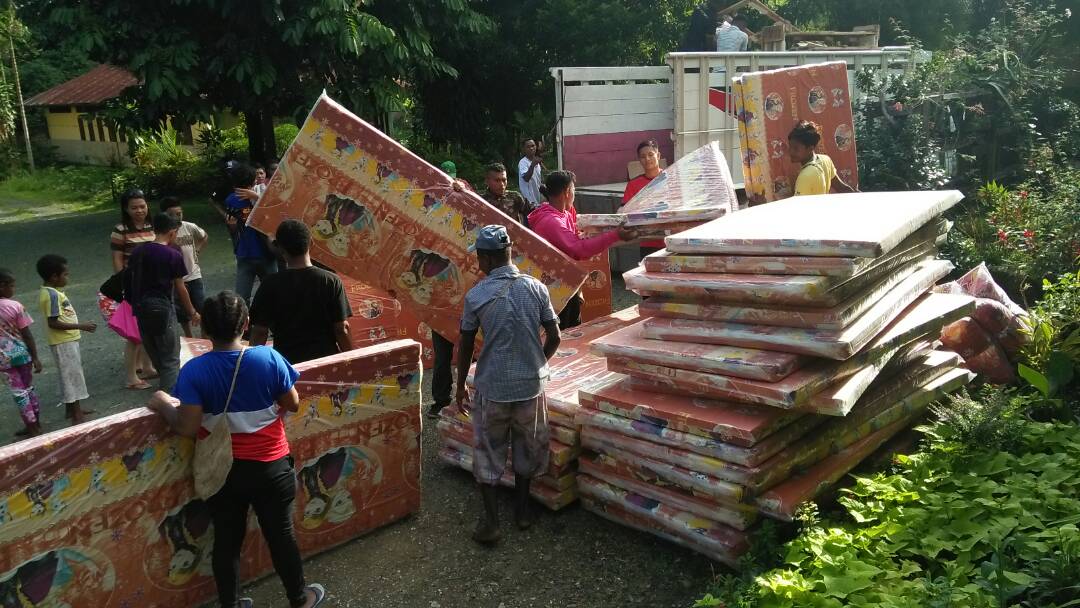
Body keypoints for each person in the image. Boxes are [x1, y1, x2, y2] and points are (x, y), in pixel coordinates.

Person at [147, 292, 327, 608]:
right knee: (281, 535)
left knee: (227, 542)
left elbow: (187, 427)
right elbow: (293, 403)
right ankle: (299, 599)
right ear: (245, 324)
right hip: (272, 467)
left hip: (223, 473)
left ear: (204, 330)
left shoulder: (194, 371)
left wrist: (163, 404)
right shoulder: (268, 358)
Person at [454, 225, 562, 544]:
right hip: (530, 388)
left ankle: (491, 524)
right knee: (527, 448)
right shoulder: (537, 288)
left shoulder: (476, 296)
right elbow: (555, 336)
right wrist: (538, 363)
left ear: (487, 258)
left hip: (493, 389)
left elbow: (465, 344)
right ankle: (523, 512)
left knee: (489, 452)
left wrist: (459, 386)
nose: (478, 263)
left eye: (479, 257)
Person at [528, 171, 637, 328]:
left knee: (574, 327)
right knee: (564, 332)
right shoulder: (551, 222)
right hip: (556, 291)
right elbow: (579, 249)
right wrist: (615, 235)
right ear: (567, 192)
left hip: (567, 285)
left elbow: (577, 236)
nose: (574, 194)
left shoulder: (563, 213)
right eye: (573, 189)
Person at [250, 220, 352, 365]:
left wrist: (252, 365)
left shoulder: (269, 285)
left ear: (280, 249)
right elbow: (341, 329)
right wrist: (352, 360)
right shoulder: (331, 281)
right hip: (327, 363)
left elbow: (260, 331)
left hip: (288, 366)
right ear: (311, 243)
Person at [126, 212, 201, 393]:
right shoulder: (172, 255)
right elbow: (180, 287)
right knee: (170, 359)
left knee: (156, 354)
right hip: (163, 308)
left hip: (141, 309)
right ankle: (171, 396)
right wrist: (192, 312)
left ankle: (165, 389)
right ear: (172, 232)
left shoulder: (138, 252)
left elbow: (129, 278)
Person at [105, 188, 157, 390]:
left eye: (142, 206)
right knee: (134, 333)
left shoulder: (152, 226)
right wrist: (124, 284)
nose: (139, 210)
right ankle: (131, 377)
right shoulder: (120, 230)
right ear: (126, 209)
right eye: (134, 207)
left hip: (152, 284)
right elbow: (117, 260)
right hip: (133, 285)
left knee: (148, 329)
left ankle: (147, 367)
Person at [36, 255, 96, 425]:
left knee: (70, 373)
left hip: (65, 341)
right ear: (54, 276)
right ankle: (77, 415)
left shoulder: (50, 292)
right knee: (72, 376)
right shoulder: (52, 295)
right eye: (65, 275)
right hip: (63, 342)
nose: (67, 278)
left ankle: (71, 410)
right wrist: (81, 326)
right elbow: (53, 322)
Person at [223, 164, 278, 303]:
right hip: (262, 252)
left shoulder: (231, 199)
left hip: (247, 253)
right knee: (275, 294)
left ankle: (245, 317)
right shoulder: (263, 194)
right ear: (252, 181)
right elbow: (275, 212)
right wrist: (257, 197)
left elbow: (233, 227)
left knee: (242, 298)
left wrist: (256, 197)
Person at [0, 268, 43, 437]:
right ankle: (36, 422)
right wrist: (35, 357)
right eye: (12, 285)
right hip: (22, 354)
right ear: (2, 286)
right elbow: (27, 334)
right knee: (28, 388)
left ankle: (31, 427)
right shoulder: (16, 306)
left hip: (3, 359)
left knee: (19, 393)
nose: (13, 289)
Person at [161, 197, 209, 338]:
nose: (176, 217)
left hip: (194, 274)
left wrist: (197, 249)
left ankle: (205, 336)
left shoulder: (189, 226)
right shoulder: (164, 232)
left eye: (179, 213)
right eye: (171, 214)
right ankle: (189, 336)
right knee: (182, 311)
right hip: (176, 279)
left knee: (202, 307)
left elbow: (204, 236)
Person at [788, 120, 858, 196]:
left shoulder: (805, 176)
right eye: (790, 147)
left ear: (810, 148)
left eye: (796, 148)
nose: (791, 152)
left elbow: (799, 204)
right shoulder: (825, 160)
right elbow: (842, 188)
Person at [622, 140, 666, 257]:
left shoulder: (671, 179)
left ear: (658, 155)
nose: (647, 159)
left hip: (672, 240)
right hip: (648, 242)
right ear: (639, 160)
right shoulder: (633, 185)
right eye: (643, 156)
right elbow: (624, 212)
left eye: (651, 155)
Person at [482, 163, 532, 227]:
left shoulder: (515, 197)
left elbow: (531, 215)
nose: (502, 184)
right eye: (497, 180)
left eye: (504, 180)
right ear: (487, 181)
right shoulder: (481, 201)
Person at [518, 138, 545, 209]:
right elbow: (526, 178)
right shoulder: (523, 162)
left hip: (537, 200)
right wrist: (532, 165)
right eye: (528, 147)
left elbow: (538, 181)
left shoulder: (537, 163)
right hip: (529, 202)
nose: (531, 148)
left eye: (533, 146)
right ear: (524, 149)